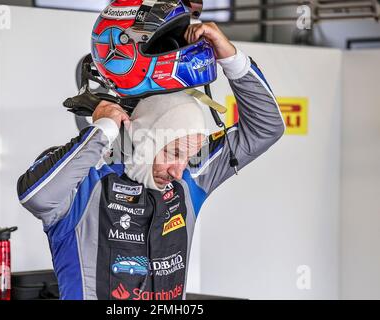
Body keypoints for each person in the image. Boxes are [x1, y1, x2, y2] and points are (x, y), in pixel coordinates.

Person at [17, 22, 285, 300]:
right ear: (145, 138)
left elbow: (266, 128)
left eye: (190, 156)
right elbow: (36, 196)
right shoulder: (85, 182)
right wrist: (104, 129)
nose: (180, 170)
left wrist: (231, 58)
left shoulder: (190, 178)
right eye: (174, 153)